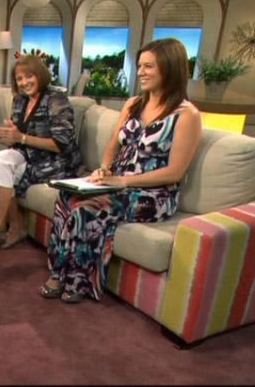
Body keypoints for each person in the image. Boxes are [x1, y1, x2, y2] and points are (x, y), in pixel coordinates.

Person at [39, 38, 202, 304]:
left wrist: (124, 181)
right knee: (65, 198)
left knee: (86, 210)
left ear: (169, 68)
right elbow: (113, 145)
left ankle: (79, 282)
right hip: (116, 183)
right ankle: (58, 273)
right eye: (140, 66)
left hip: (154, 194)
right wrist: (104, 169)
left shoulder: (187, 115)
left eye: (149, 66)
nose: (141, 72)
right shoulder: (133, 103)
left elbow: (175, 172)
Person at [0, 54, 82, 249]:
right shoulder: (19, 100)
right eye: (19, 78)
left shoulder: (56, 100)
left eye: (29, 76)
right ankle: (8, 226)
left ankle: (6, 227)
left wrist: (21, 138)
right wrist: (8, 136)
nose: (24, 82)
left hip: (57, 161)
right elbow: (18, 135)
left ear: (40, 74)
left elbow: (62, 144)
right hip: (30, 155)